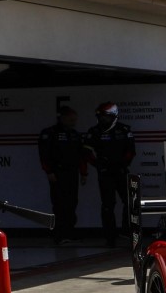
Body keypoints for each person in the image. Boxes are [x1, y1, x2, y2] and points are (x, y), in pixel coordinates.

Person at [85, 102, 135, 247]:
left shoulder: (124, 130)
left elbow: (131, 151)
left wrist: (122, 164)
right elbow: (86, 152)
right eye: (100, 116)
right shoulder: (94, 131)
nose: (102, 119)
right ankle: (110, 236)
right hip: (105, 173)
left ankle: (126, 231)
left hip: (121, 171)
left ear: (114, 116)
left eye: (105, 116)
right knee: (108, 205)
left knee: (129, 202)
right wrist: (98, 165)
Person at [38, 106, 87, 243]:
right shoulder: (50, 133)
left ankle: (70, 231)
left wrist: (83, 173)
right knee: (59, 203)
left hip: (72, 173)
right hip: (57, 173)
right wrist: (49, 172)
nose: (73, 123)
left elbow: (81, 155)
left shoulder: (75, 134)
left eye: (74, 120)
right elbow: (44, 155)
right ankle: (59, 234)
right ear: (62, 118)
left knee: (72, 202)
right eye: (71, 120)